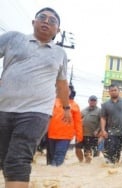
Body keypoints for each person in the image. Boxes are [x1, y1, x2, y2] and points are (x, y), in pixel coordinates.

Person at [0, 7, 70, 188]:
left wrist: (66, 108)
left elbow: (62, 84)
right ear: (34, 22)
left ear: (57, 30)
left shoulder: (59, 53)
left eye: (52, 21)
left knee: (19, 158)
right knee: (4, 158)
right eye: (42, 17)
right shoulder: (13, 38)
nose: (46, 21)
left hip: (36, 112)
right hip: (3, 108)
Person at [47, 85, 83, 166]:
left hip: (65, 136)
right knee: (50, 158)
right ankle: (51, 175)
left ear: (71, 92)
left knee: (59, 156)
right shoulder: (52, 102)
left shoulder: (74, 105)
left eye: (68, 90)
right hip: (51, 134)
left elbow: (78, 122)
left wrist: (79, 136)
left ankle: (56, 174)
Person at [100, 84, 122, 165]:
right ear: (109, 92)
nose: (113, 92)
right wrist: (103, 130)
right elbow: (103, 118)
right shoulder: (105, 104)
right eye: (111, 90)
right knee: (111, 153)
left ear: (118, 91)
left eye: (115, 90)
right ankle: (113, 169)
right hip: (111, 132)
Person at [78, 95, 101, 163]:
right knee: (86, 150)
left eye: (94, 101)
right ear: (88, 101)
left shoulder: (100, 111)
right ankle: (86, 164)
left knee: (94, 150)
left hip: (94, 135)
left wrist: (97, 130)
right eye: (91, 100)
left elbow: (102, 122)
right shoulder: (83, 110)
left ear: (96, 102)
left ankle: (94, 165)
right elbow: (78, 120)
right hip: (84, 134)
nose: (92, 102)